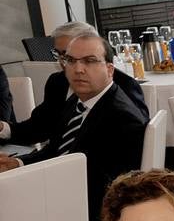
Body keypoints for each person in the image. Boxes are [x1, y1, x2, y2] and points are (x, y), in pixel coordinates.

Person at [0, 30, 146, 221]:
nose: (78, 69)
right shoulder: (81, 103)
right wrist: (20, 163)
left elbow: (101, 185)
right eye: (70, 60)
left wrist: (30, 182)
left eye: (89, 61)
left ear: (109, 69)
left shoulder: (121, 118)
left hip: (91, 216)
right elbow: (58, 150)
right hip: (69, 193)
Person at [0, 20, 147, 147]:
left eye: (70, 55)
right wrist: (4, 129)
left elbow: (138, 138)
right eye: (61, 55)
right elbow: (39, 127)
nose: (63, 62)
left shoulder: (124, 86)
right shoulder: (58, 82)